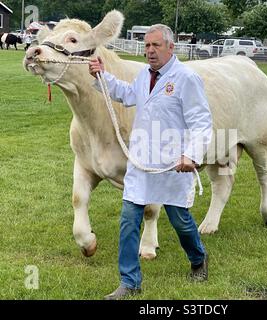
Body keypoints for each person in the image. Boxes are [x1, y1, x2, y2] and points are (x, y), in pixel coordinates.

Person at [89, 24, 213, 299]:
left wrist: (191, 154)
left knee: (180, 221)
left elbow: (202, 122)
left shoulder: (186, 78)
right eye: (146, 46)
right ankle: (130, 282)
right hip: (141, 162)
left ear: (171, 47)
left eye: (156, 45)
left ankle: (198, 258)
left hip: (172, 165)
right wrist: (102, 75)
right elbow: (126, 94)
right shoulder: (144, 76)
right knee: (129, 221)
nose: (150, 51)